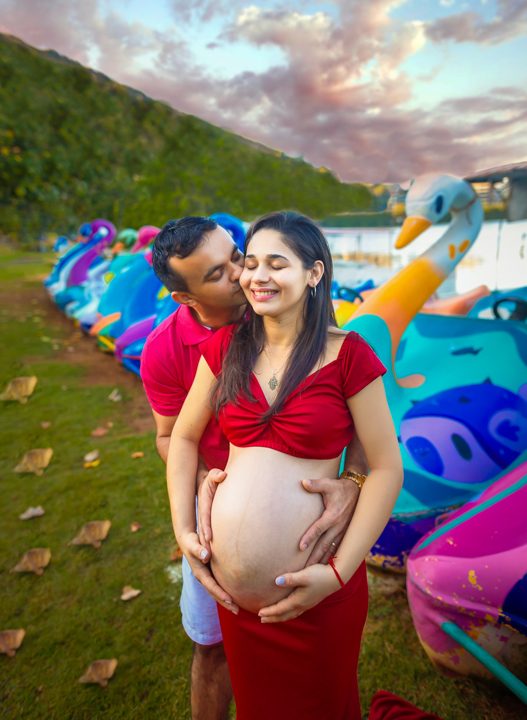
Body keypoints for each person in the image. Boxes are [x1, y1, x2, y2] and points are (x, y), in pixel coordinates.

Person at [167, 211, 404, 719]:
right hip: (238, 602)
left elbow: (386, 467)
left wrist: (338, 574)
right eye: (250, 264)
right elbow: (183, 438)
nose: (256, 276)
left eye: (277, 263)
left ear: (314, 273)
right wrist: (184, 529)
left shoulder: (348, 355)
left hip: (318, 591)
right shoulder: (226, 349)